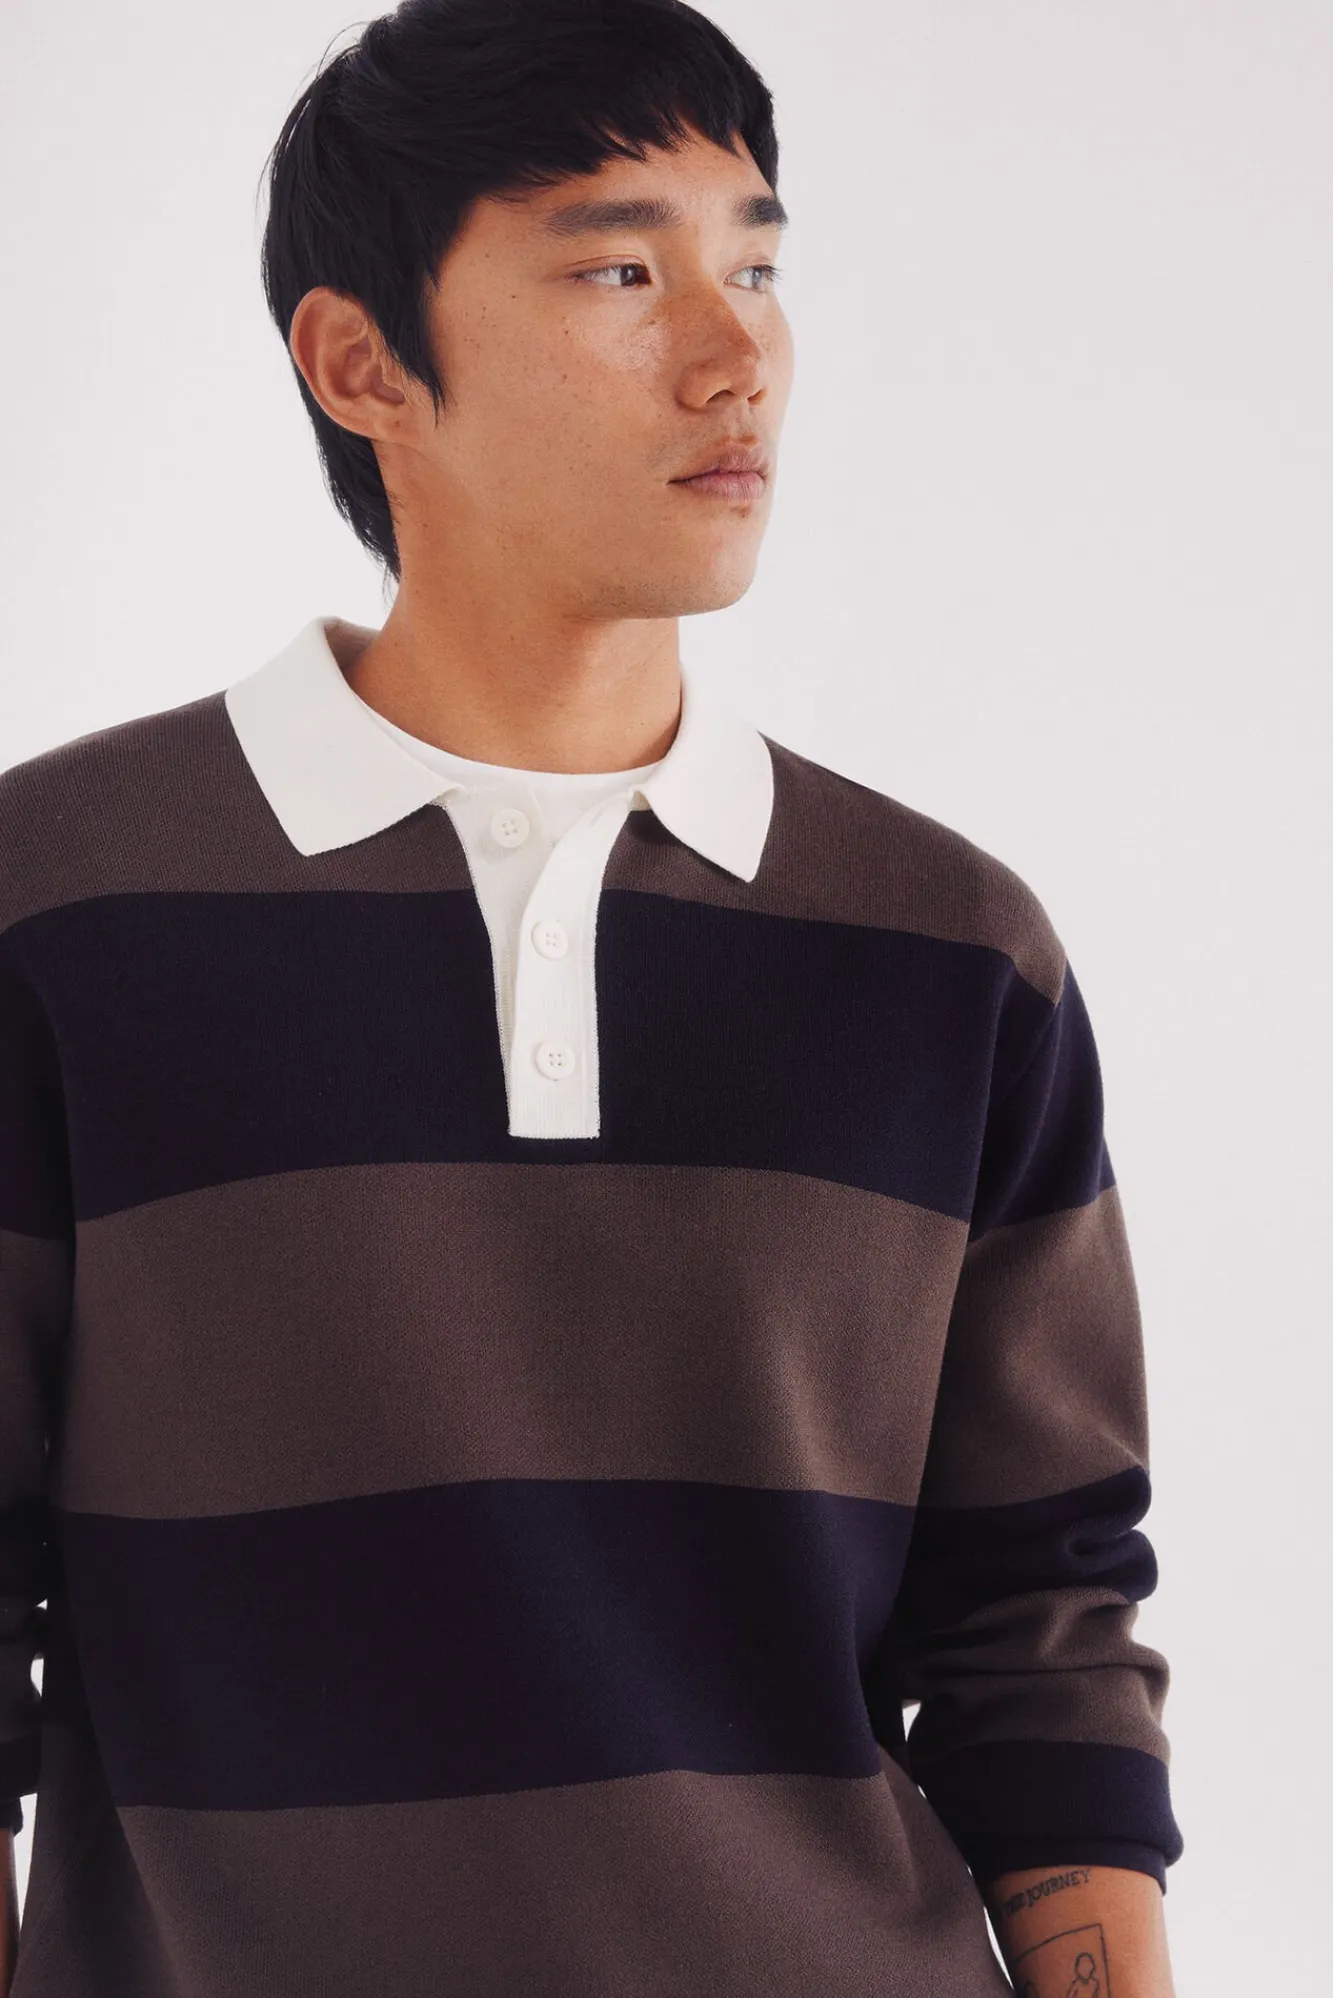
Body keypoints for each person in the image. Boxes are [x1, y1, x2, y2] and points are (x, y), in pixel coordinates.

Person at [0, 1, 1183, 1991]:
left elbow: (1040, 1632)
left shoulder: (950, 949)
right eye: (624, 273)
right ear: (361, 361)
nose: (736, 356)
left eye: (758, 266)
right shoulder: (60, 906)